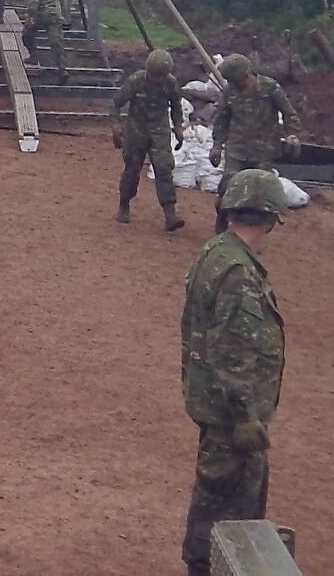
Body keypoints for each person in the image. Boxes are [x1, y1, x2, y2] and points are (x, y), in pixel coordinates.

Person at [180, 170, 286, 576]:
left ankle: (201, 563)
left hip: (213, 401)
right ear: (272, 216)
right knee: (233, 506)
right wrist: (245, 416)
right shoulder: (239, 271)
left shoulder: (215, 252)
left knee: (213, 492)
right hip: (232, 412)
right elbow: (232, 351)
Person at [209, 54, 302, 230]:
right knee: (227, 191)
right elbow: (222, 119)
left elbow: (290, 114)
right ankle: (222, 229)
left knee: (258, 198)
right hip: (236, 150)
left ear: (246, 75)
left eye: (238, 82)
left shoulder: (270, 88)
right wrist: (217, 145)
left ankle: (252, 234)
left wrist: (292, 134)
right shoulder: (230, 91)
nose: (236, 86)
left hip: (263, 152)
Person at [113, 48, 187, 231]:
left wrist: (178, 127)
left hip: (159, 131)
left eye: (161, 76)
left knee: (164, 168)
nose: (158, 80)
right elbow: (116, 104)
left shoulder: (170, 83)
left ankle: (170, 214)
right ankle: (124, 204)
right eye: (155, 75)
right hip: (136, 130)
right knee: (132, 168)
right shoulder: (135, 81)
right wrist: (116, 127)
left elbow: (176, 105)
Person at [22, 0, 68, 84]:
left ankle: (33, 56)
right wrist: (62, 15)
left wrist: (31, 16)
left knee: (27, 34)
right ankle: (62, 69)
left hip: (41, 15)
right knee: (56, 42)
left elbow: (34, 0)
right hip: (55, 16)